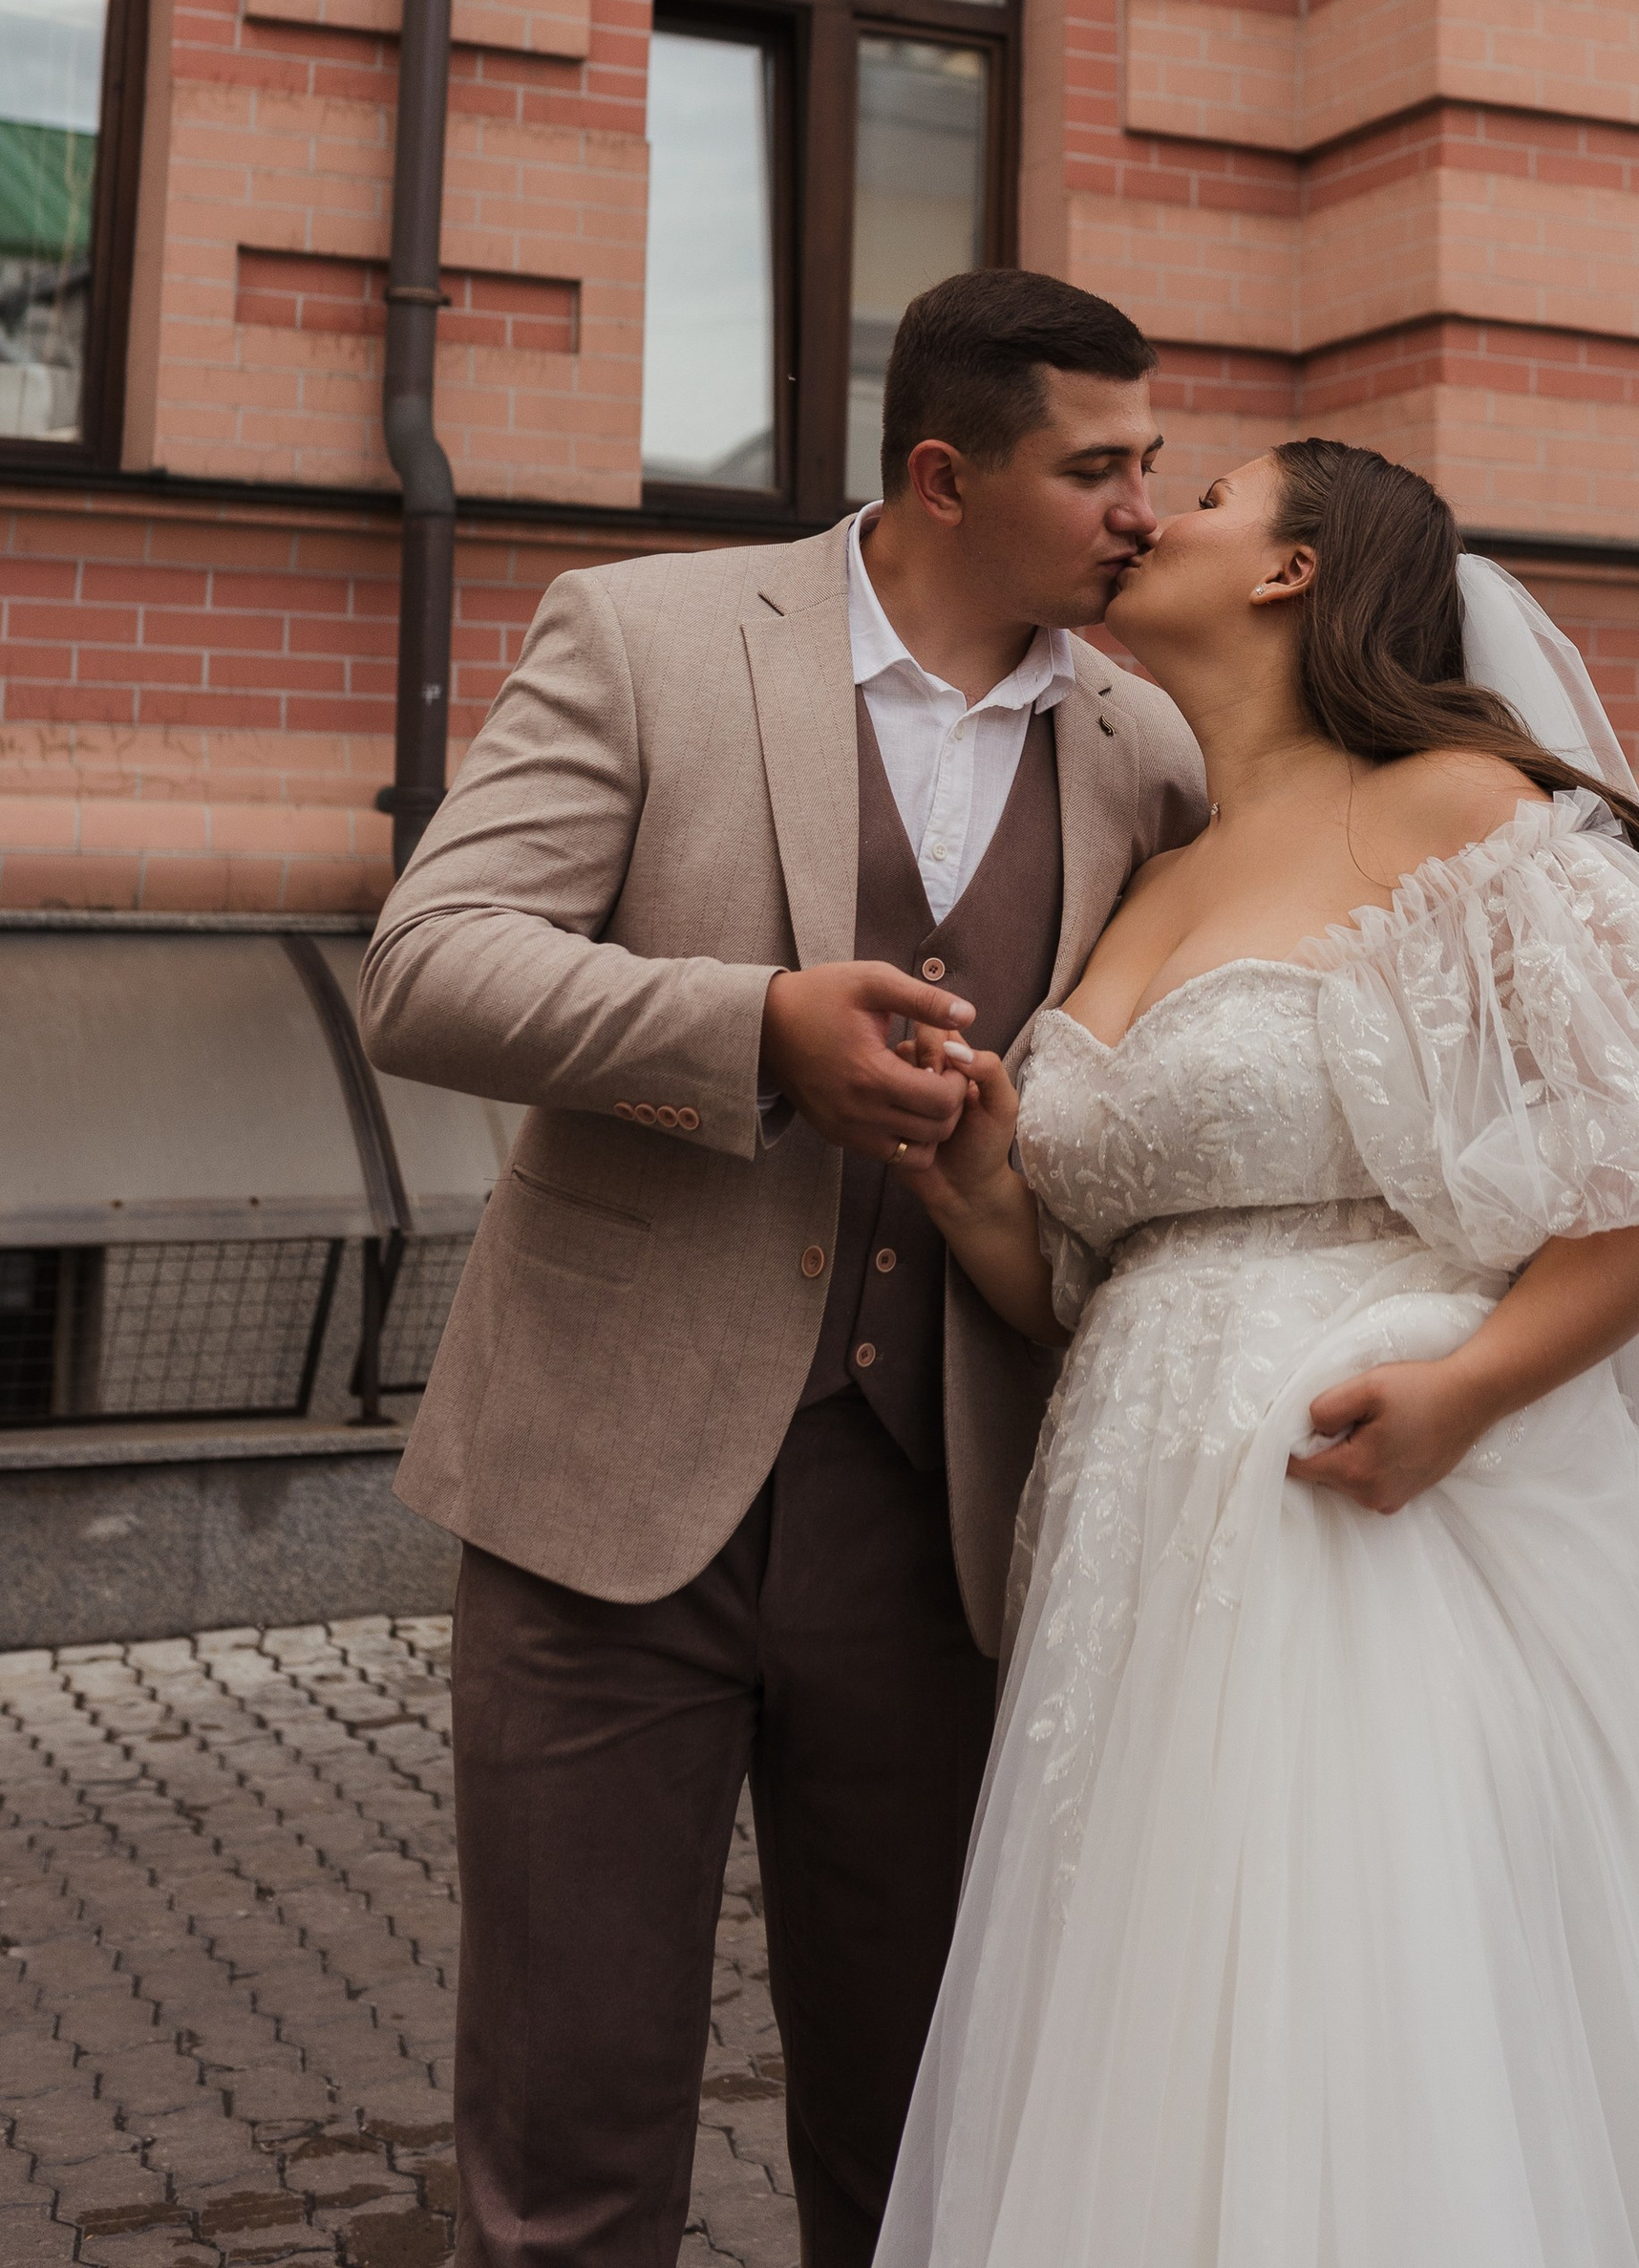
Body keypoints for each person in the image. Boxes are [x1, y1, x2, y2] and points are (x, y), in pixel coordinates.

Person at [874, 437, 1639, 2268]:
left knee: (1371, 2029)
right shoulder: (1160, 873)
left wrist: (1467, 1391)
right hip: (1136, 1556)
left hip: (1380, 1532)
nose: (1156, 515)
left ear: (1296, 571)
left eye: (1207, 496)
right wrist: (984, 1177)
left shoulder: (1453, 806)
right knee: (1156, 2030)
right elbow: (1064, 1285)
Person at [358, 269, 1207, 2268]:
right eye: (1096, 466)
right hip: (607, 1498)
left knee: (919, 2134)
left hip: (948, 1530)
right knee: (565, 2144)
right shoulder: (647, 635)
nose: (1143, 509)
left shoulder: (1145, 746)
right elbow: (431, 962)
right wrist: (748, 1028)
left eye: (1153, 464)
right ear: (940, 473)